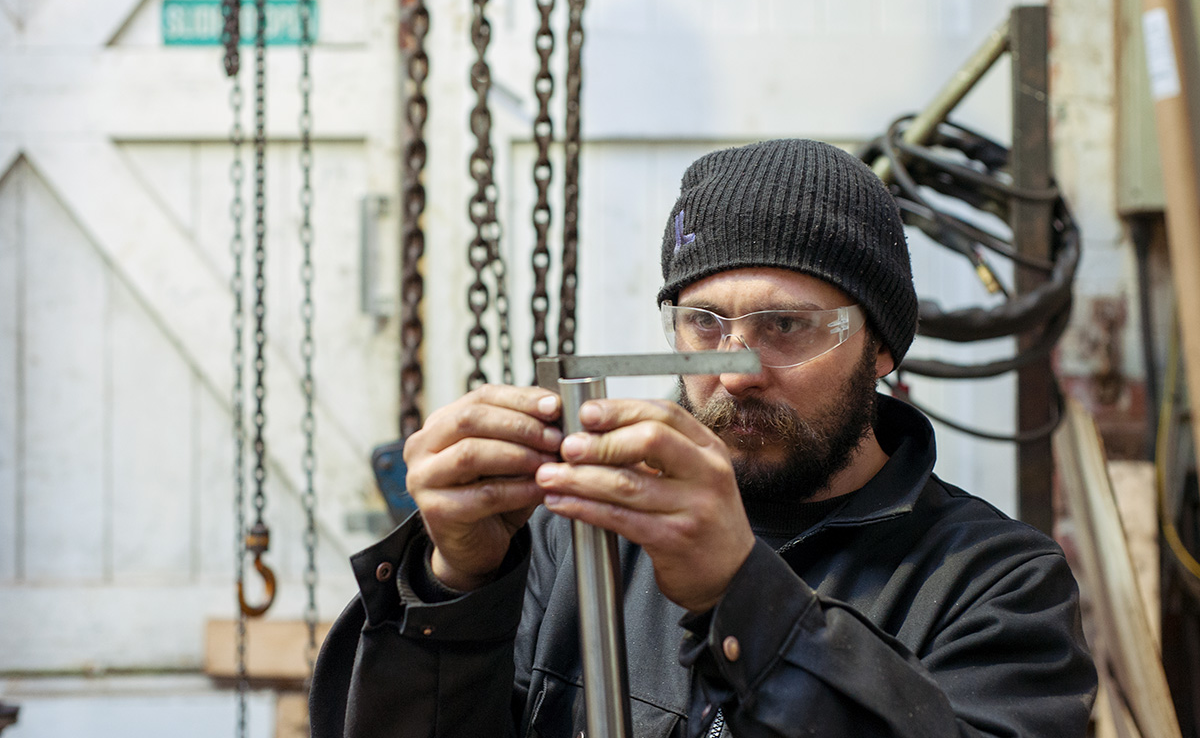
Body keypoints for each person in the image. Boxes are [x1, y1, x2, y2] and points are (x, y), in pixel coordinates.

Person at [310, 139, 1097, 737]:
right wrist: (451, 588)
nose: (736, 372)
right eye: (702, 326)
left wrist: (744, 598)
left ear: (882, 349)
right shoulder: (571, 543)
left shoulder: (998, 585)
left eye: (785, 328)